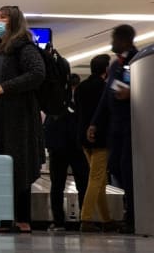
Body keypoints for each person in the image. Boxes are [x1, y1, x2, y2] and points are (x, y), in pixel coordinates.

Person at [0, 6, 45, 233]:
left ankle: (19, 220)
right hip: (2, 117)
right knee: (3, 165)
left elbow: (37, 73)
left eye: (2, 17)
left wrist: (5, 87)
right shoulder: (1, 48)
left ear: (13, 21)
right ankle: (7, 219)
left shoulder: (23, 47)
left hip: (17, 120)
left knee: (17, 166)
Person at [89, 24, 138, 234]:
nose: (112, 41)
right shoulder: (115, 65)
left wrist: (132, 91)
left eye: (115, 38)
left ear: (125, 40)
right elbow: (105, 97)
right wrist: (94, 122)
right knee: (116, 166)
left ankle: (133, 216)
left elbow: (140, 89)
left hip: (131, 124)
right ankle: (130, 208)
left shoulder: (137, 60)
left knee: (127, 168)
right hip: (114, 126)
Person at [44, 72, 89, 231]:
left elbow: (48, 127)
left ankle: (58, 222)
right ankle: (84, 218)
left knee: (57, 185)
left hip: (57, 149)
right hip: (75, 149)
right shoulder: (78, 103)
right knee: (82, 183)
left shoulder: (54, 102)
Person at [74, 54, 112, 232]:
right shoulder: (105, 88)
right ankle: (86, 218)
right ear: (106, 70)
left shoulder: (81, 87)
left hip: (83, 138)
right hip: (100, 138)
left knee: (100, 180)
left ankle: (106, 219)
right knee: (96, 179)